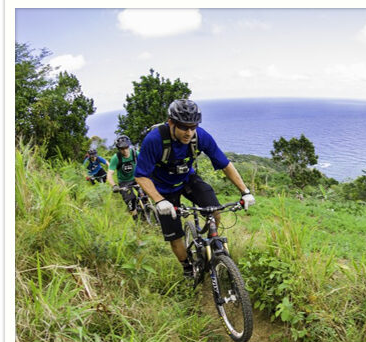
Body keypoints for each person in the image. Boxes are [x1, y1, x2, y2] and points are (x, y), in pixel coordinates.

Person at [134, 99, 256, 278]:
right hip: (163, 189)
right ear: (171, 123)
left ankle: (210, 242)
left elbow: (225, 164)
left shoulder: (200, 136)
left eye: (193, 127)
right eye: (184, 127)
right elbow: (141, 175)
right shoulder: (154, 140)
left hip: (187, 179)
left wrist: (245, 192)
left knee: (215, 210)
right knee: (175, 236)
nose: (189, 133)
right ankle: (187, 266)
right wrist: (159, 200)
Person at [108, 135, 140, 220]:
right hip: (124, 182)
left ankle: (147, 210)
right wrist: (114, 186)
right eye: (122, 149)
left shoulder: (135, 153)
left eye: (126, 147)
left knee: (145, 194)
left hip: (137, 178)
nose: (125, 150)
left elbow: (145, 163)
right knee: (131, 200)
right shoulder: (116, 158)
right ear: (119, 149)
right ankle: (136, 220)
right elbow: (109, 174)